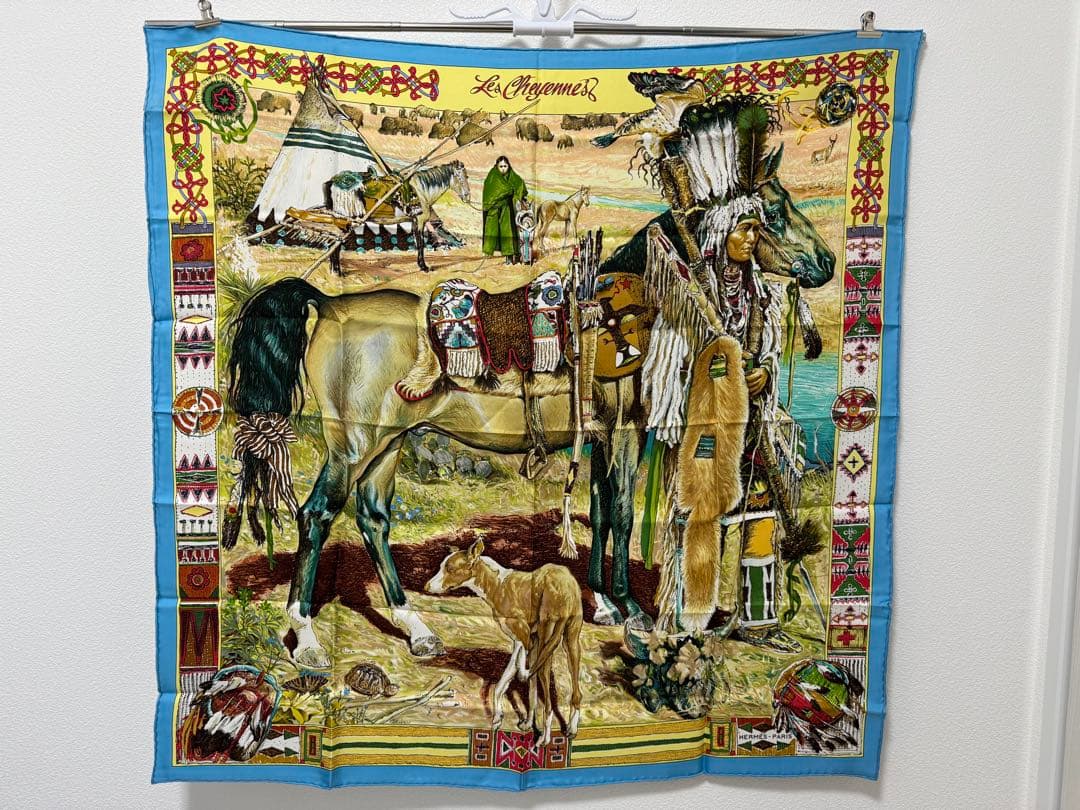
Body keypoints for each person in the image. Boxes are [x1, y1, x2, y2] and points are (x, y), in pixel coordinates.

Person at [714, 211, 803, 655]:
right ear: (720, 232)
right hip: (708, 426)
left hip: (754, 425)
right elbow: (677, 356)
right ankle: (696, 618)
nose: (751, 238)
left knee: (761, 515)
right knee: (702, 520)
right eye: (743, 228)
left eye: (755, 230)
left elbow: (770, 347)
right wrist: (724, 376)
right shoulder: (696, 290)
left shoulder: (761, 292)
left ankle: (758, 622)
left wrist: (765, 371)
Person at [482, 156, 528, 264]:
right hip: (494, 209)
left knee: (507, 232)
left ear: (508, 166)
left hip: (507, 208)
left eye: (505, 166)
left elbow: (520, 185)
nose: (503, 169)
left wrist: (518, 196)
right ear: (497, 166)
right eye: (501, 166)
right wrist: (506, 191)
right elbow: (489, 193)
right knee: (492, 230)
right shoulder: (492, 176)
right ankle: (489, 254)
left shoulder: (513, 176)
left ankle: (510, 257)